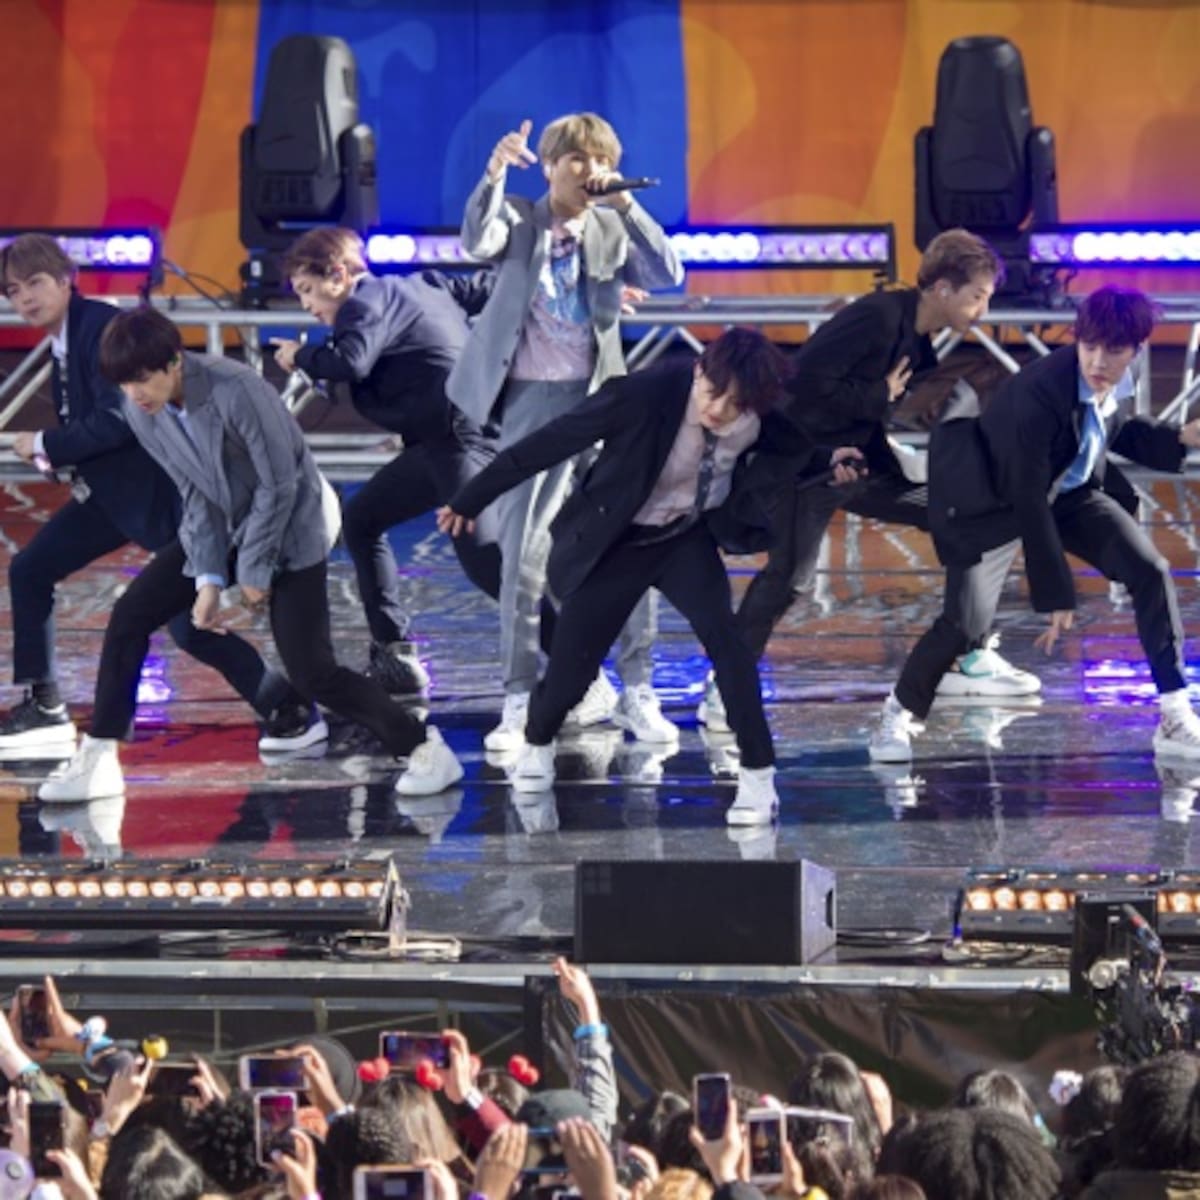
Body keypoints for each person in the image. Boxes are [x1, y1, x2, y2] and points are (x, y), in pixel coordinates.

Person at [435, 328, 862, 824]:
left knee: (730, 648)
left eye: (736, 404)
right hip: (618, 541)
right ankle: (537, 740)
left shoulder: (756, 417)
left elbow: (793, 448)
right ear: (698, 371)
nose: (719, 410)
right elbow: (547, 444)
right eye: (712, 393)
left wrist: (829, 460)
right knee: (572, 671)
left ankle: (759, 776)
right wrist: (471, 499)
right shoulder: (641, 395)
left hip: (684, 539)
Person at [39, 307, 464, 803]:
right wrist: (208, 579)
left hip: (294, 526)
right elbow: (195, 494)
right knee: (131, 615)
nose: (134, 394)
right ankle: (99, 756)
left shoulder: (236, 389)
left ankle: (423, 747)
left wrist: (254, 571)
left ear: (174, 361)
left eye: (142, 379)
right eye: (124, 384)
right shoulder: (142, 410)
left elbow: (279, 485)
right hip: (229, 524)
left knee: (314, 672)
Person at [698, 229, 1040, 732]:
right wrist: (876, 396)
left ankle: (968, 654)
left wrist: (890, 444)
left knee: (968, 513)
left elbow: (866, 406)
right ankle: (727, 688)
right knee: (788, 578)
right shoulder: (878, 316)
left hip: (861, 461)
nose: (983, 310)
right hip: (806, 462)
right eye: (977, 296)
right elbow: (801, 385)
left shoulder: (915, 336)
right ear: (943, 289)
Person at [0, 234, 315, 760]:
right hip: (112, 497)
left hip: (169, 496)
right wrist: (61, 459)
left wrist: (46, 444)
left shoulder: (102, 328)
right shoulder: (65, 339)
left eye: (35, 283)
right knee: (31, 569)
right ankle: (44, 702)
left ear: (66, 279)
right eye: (13, 291)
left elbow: (118, 420)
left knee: (188, 625)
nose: (25, 298)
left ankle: (286, 705)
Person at [870, 285, 1200, 761]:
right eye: (1089, 346)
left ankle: (1174, 713)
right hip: (994, 501)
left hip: (1069, 493)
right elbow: (1026, 494)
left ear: (1136, 349)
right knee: (963, 624)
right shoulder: (1041, 393)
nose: (1098, 361)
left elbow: (1115, 429)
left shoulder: (1114, 381)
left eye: (1114, 351)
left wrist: (1181, 436)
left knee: (1151, 571)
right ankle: (897, 714)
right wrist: (1055, 592)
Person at [447, 111, 685, 751]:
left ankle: (638, 689)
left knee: (629, 544)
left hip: (604, 401)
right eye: (576, 158)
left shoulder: (609, 225)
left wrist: (627, 205)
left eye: (600, 159)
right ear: (550, 165)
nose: (589, 170)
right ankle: (520, 698)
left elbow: (667, 273)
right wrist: (495, 171)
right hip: (534, 403)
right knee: (523, 557)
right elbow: (477, 238)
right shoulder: (521, 219)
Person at [270, 228, 502, 695]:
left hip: (457, 441)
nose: (307, 305)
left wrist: (301, 356)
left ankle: (577, 663)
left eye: (308, 290)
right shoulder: (425, 283)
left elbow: (350, 362)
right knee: (362, 520)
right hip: (439, 443)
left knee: (487, 565)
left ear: (339, 274)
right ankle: (394, 654)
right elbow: (497, 286)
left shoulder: (362, 305)